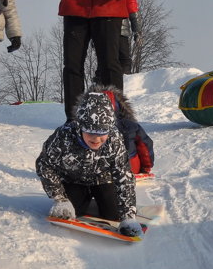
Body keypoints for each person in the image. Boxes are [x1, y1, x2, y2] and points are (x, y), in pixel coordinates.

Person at [36, 91, 142, 238]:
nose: (97, 139)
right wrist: (60, 198)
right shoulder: (63, 137)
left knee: (113, 214)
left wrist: (128, 216)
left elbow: (123, 174)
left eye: (102, 132)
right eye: (91, 132)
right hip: (73, 179)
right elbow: (44, 164)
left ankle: (102, 198)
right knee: (72, 212)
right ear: (80, 126)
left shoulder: (114, 139)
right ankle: (81, 197)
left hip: (102, 178)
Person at [92, 84, 154, 176]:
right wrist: (146, 167)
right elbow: (145, 145)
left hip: (99, 170)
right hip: (131, 167)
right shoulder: (129, 125)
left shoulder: (87, 128)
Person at [118, 0, 141, 75]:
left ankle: (126, 81)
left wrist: (137, 31)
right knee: (104, 59)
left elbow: (133, 11)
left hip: (121, 30)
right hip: (106, 29)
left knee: (124, 59)